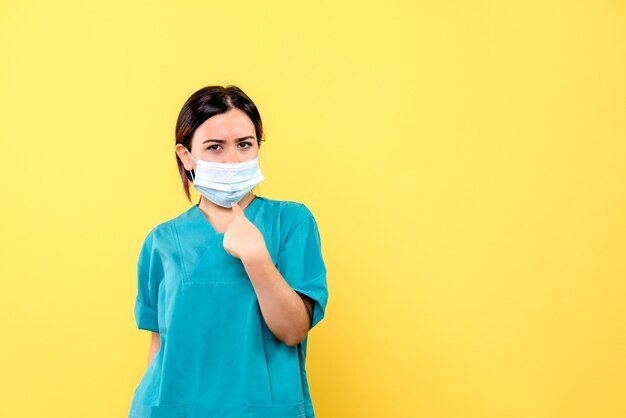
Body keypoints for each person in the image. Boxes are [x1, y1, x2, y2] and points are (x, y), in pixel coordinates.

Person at [128, 85, 329, 418]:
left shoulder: (291, 223)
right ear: (186, 156)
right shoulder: (161, 241)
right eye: (215, 147)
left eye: (244, 144)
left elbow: (293, 331)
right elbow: (160, 345)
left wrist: (257, 257)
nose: (232, 159)